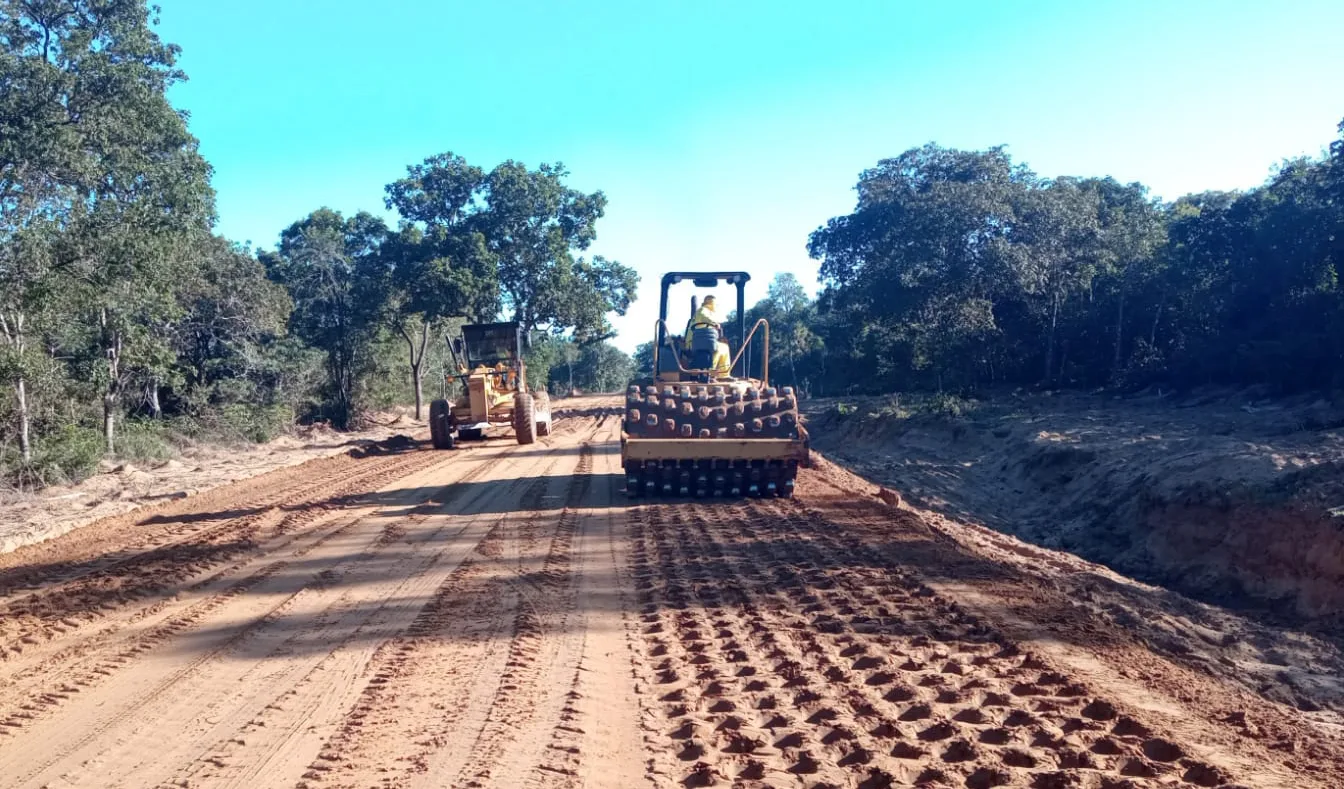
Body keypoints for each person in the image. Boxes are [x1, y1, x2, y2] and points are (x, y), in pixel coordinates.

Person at [685, 295, 733, 377]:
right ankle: (711, 374)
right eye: (715, 304)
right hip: (693, 343)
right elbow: (704, 317)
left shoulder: (707, 313)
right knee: (719, 348)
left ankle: (722, 375)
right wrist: (715, 323)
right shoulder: (702, 310)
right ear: (712, 303)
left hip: (700, 342)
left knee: (724, 347)